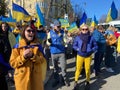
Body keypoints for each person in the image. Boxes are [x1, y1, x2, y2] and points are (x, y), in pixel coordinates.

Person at [10, 25, 47, 90]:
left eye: (33, 31)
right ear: (23, 32)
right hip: (22, 79)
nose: (31, 33)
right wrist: (23, 57)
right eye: (29, 31)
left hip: (36, 79)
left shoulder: (38, 46)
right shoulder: (17, 47)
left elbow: (42, 60)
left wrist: (33, 56)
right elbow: (13, 63)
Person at [73, 24, 98, 90]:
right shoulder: (78, 37)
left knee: (87, 69)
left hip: (88, 56)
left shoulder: (91, 38)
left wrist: (91, 50)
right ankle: (76, 81)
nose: (84, 30)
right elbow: (74, 46)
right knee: (78, 69)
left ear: (88, 30)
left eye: (86, 29)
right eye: (83, 29)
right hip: (80, 55)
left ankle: (87, 82)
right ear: (81, 30)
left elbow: (96, 46)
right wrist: (78, 49)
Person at [46, 20, 70, 87]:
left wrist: (67, 41)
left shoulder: (62, 32)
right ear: (54, 26)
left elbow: (65, 41)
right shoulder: (50, 33)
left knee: (63, 68)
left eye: (60, 26)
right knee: (55, 69)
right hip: (53, 53)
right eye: (58, 26)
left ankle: (64, 80)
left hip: (61, 53)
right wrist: (49, 42)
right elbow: (48, 44)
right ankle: (56, 80)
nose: (59, 27)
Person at [0, 22, 15, 90]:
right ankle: (8, 78)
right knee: (5, 69)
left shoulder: (10, 34)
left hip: (11, 53)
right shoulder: (0, 35)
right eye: (2, 26)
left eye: (5, 26)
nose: (4, 28)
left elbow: (14, 44)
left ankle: (11, 79)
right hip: (3, 55)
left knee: (11, 67)